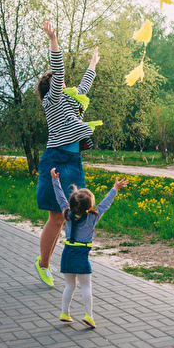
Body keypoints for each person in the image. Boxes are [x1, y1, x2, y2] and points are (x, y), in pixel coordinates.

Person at [34, 21, 100, 287]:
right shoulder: (52, 100)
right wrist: (53, 40)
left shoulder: (71, 100)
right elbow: (58, 70)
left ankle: (46, 262)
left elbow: (84, 86)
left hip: (73, 161)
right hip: (57, 160)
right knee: (56, 217)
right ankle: (43, 265)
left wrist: (93, 63)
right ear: (51, 86)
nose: (63, 81)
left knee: (67, 215)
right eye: (57, 80)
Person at [51, 167, 127, 328]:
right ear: (90, 207)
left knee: (69, 286)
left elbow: (60, 198)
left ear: (71, 204)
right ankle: (89, 315)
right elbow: (105, 204)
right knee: (86, 286)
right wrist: (115, 188)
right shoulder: (92, 218)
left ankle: (64, 312)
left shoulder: (67, 213)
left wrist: (55, 181)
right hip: (81, 255)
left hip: (67, 253)